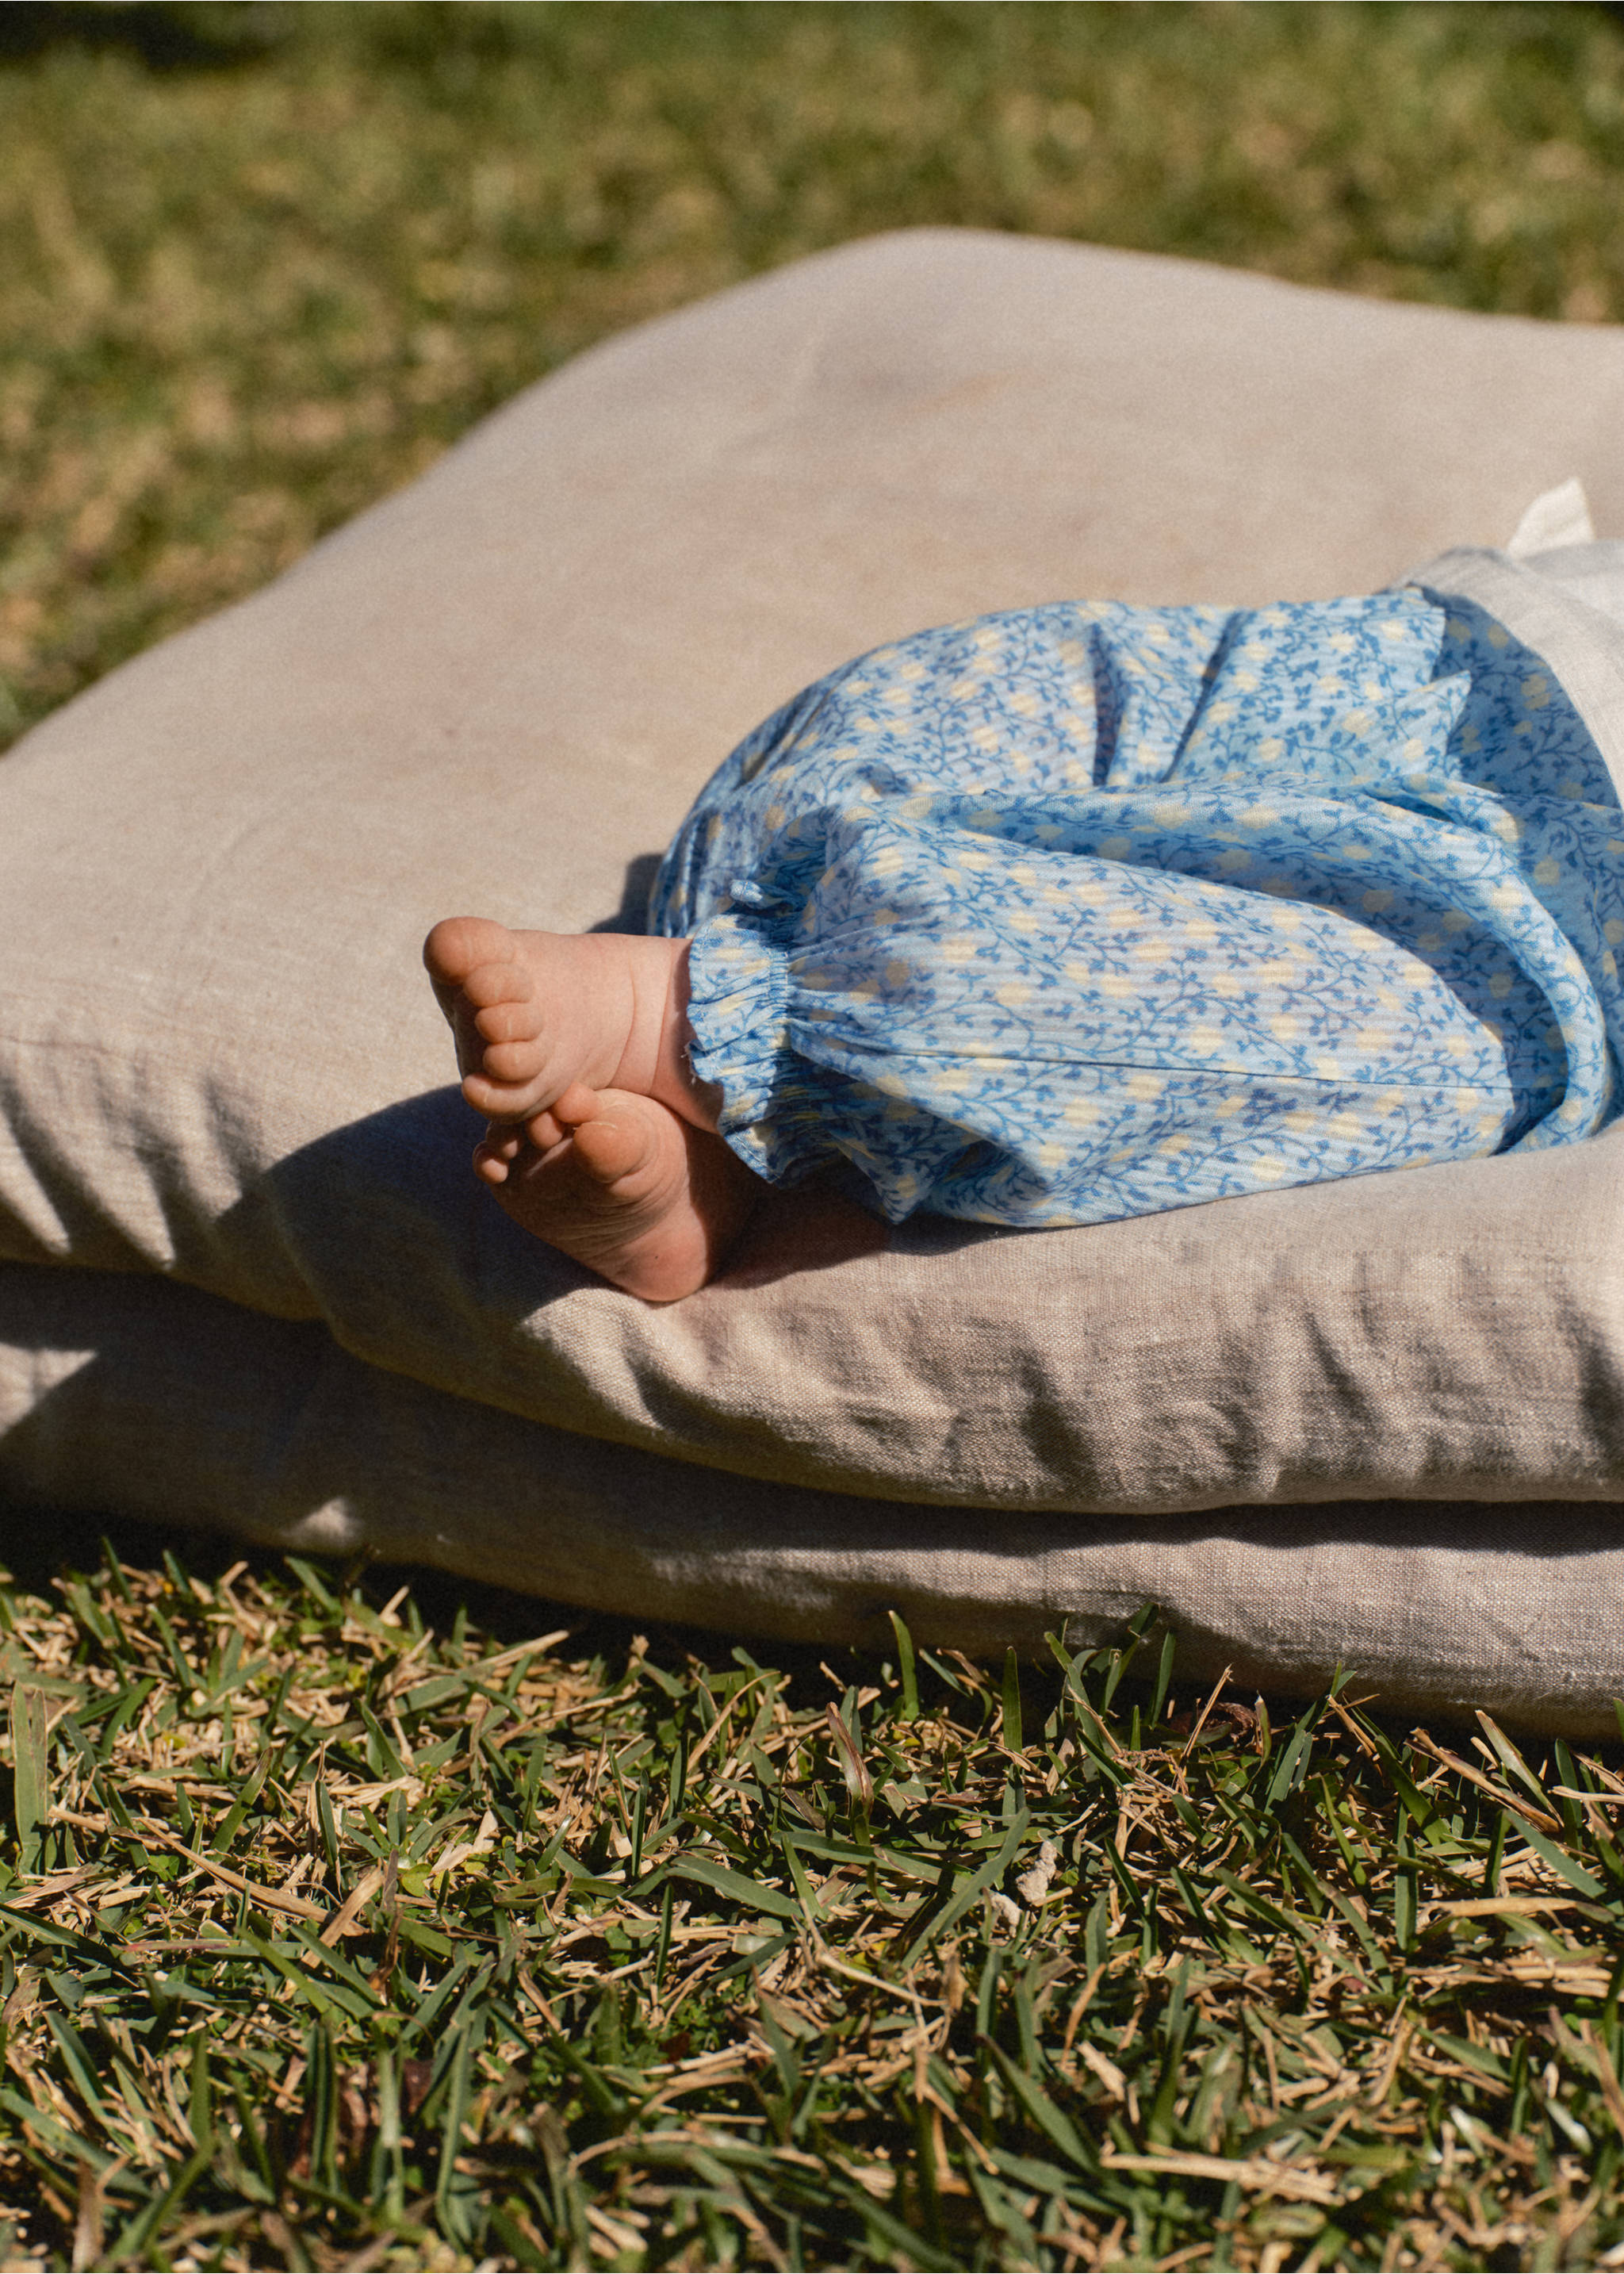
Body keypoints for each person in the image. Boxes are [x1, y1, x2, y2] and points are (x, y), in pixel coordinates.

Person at [425, 567, 1624, 1302]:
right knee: (971, 696)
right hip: (1471, 661)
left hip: (1566, 934)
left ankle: (687, 1024)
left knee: (1224, 1003)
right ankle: (734, 1140)